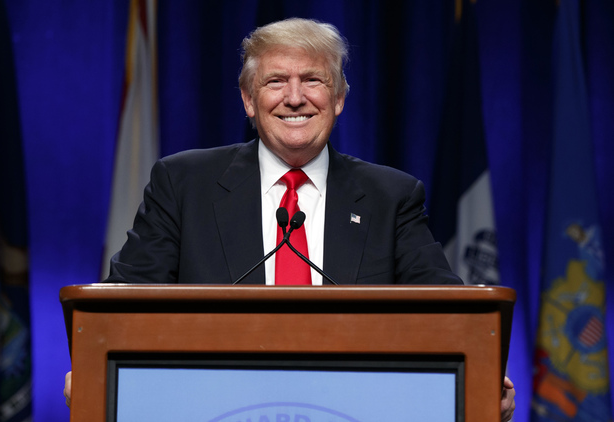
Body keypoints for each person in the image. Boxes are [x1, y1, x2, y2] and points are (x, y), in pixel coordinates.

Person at [64, 17, 515, 420]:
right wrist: (91, 365)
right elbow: (124, 301)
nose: (295, 98)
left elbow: (449, 312)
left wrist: (482, 371)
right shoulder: (183, 183)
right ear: (248, 99)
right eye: (276, 81)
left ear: (338, 98)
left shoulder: (390, 196)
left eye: (313, 80)